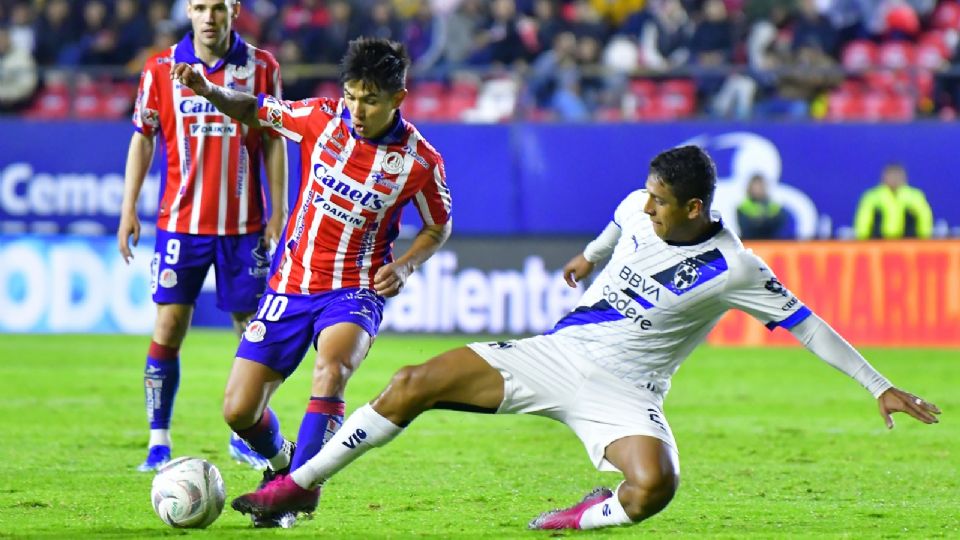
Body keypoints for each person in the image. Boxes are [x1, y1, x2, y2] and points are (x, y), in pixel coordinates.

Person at [227, 145, 940, 530]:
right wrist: (588, 257)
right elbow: (618, 222)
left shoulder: (736, 268)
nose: (647, 205)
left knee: (656, 486)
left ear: (695, 209)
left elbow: (809, 326)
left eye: (662, 203)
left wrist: (881, 386)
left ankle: (579, 518)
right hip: (558, 353)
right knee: (412, 382)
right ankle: (296, 485)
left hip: (628, 393)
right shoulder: (640, 202)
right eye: (649, 195)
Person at [171, 37, 452, 528]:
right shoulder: (320, 118)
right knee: (238, 411)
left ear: (397, 99)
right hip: (290, 285)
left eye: (371, 99)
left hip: (355, 290)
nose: (358, 110)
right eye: (351, 96)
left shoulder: (419, 162)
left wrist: (405, 265)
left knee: (333, 368)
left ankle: (297, 491)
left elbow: (438, 226)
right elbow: (255, 109)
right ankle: (283, 466)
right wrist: (209, 90)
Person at [117, 0, 288, 475]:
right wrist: (129, 207)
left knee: (251, 332)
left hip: (243, 227)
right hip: (180, 226)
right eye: (199, 7)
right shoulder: (160, 68)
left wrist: (279, 211)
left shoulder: (263, 67)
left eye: (217, 7)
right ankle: (158, 441)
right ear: (188, 12)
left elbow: (275, 137)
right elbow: (143, 135)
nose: (208, 17)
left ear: (233, 9)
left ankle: (244, 435)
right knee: (169, 327)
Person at [854, 164, 933, 240]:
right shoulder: (872, 197)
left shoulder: (915, 196)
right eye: (891, 176)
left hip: (908, 242)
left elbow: (925, 217)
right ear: (884, 177)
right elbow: (863, 220)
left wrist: (924, 238)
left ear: (904, 177)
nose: (894, 179)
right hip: (879, 242)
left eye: (898, 176)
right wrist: (863, 239)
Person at [737, 173, 787, 239]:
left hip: (772, 244)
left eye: (760, 186)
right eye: (755, 186)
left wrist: (759, 222)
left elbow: (778, 226)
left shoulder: (774, 207)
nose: (758, 189)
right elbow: (746, 229)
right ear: (750, 188)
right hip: (751, 244)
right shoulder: (743, 207)